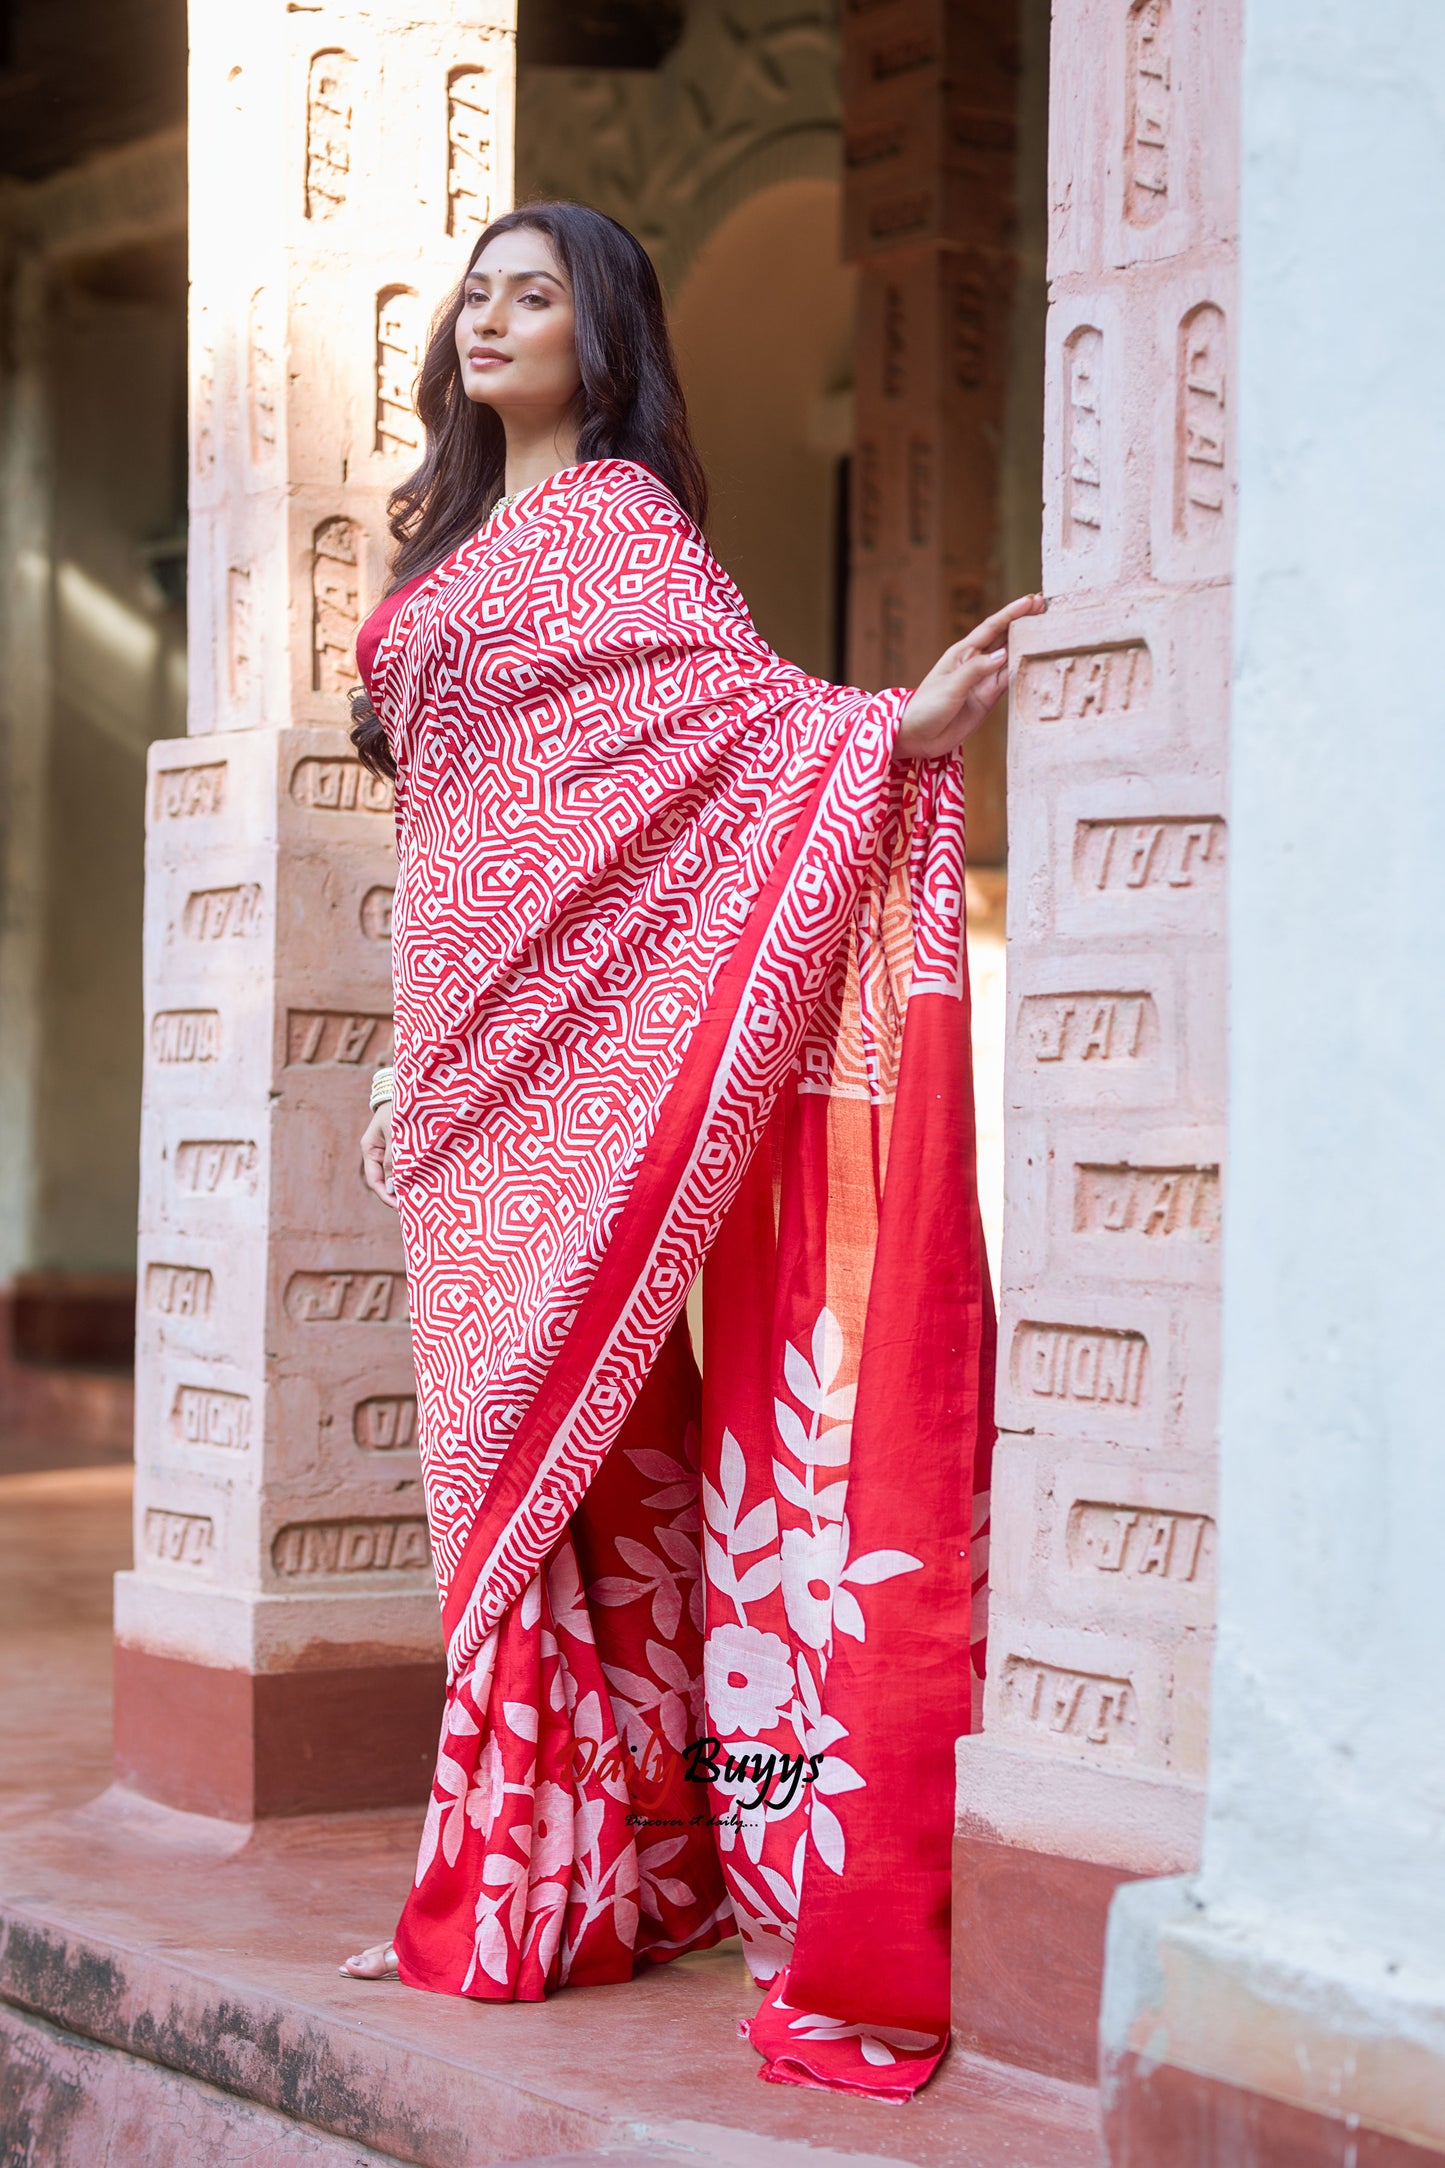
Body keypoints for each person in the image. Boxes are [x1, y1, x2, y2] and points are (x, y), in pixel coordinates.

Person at [342, 198, 1043, 2100]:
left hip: (599, 1044)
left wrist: (899, 728)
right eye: (474, 294)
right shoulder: (453, 540)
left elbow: (735, 744)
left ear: (605, 329)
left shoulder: (624, 532)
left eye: (534, 292)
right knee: (507, 1453)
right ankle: (560, 1865)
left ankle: (559, 1869)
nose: (491, 319)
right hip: (471, 1041)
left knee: (590, 1440)